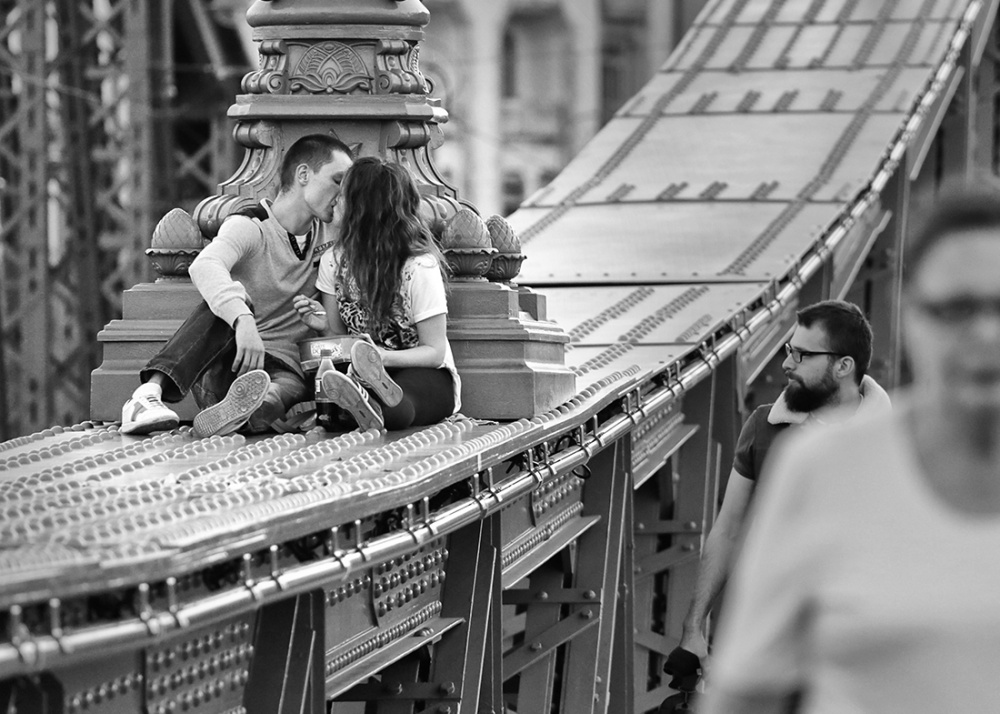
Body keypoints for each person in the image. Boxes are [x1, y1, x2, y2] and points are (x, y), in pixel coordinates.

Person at [701, 183, 1000, 713]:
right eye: (957, 309)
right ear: (908, 316)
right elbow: (744, 696)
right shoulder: (820, 466)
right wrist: (692, 626)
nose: (986, 334)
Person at [667, 301, 891, 681]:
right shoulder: (765, 426)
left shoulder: (895, 442)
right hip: (767, 644)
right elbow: (729, 528)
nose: (786, 364)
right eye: (789, 350)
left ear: (843, 366)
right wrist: (694, 628)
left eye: (802, 355)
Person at [120, 134, 354, 437]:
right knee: (228, 301)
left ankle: (242, 414)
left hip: (283, 368)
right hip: (232, 358)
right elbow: (205, 264)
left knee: (284, 389)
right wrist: (243, 319)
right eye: (337, 181)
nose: (342, 194)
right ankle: (147, 396)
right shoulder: (251, 225)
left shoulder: (331, 235)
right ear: (304, 175)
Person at [293, 156, 460, 431]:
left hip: (420, 371)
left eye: (343, 194)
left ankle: (365, 405)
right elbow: (342, 340)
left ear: (362, 207)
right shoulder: (333, 261)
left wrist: (381, 358)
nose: (335, 200)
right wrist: (324, 326)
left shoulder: (418, 266)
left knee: (400, 407)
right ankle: (359, 402)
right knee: (332, 387)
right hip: (358, 371)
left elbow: (434, 351)